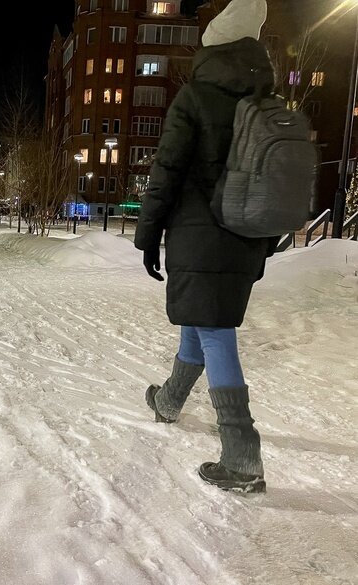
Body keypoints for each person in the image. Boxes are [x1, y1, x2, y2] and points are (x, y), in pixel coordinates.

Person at [134, 0, 277, 494]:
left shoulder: (196, 96)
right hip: (247, 237)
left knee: (215, 331)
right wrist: (266, 241)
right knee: (202, 318)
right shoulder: (268, 101)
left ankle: (241, 456)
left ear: (212, 47)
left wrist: (148, 233)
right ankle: (170, 400)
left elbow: (167, 170)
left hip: (200, 232)